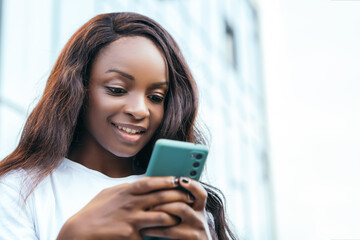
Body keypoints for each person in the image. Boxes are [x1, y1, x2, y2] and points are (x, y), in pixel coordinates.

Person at [0, 12, 236, 240]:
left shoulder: (180, 203)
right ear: (78, 88)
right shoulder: (17, 191)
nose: (140, 110)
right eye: (117, 90)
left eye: (155, 97)